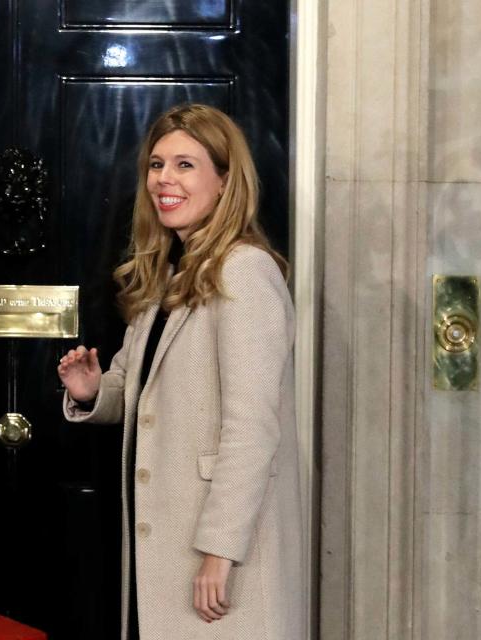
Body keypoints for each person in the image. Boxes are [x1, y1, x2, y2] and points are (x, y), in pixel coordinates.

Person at [57, 103, 304, 639]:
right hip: (166, 553)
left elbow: (251, 430)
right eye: (157, 164)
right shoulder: (168, 276)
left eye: (185, 165)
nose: (163, 179)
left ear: (224, 180)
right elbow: (135, 391)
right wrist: (94, 392)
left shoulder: (245, 272)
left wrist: (219, 551)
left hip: (218, 562)